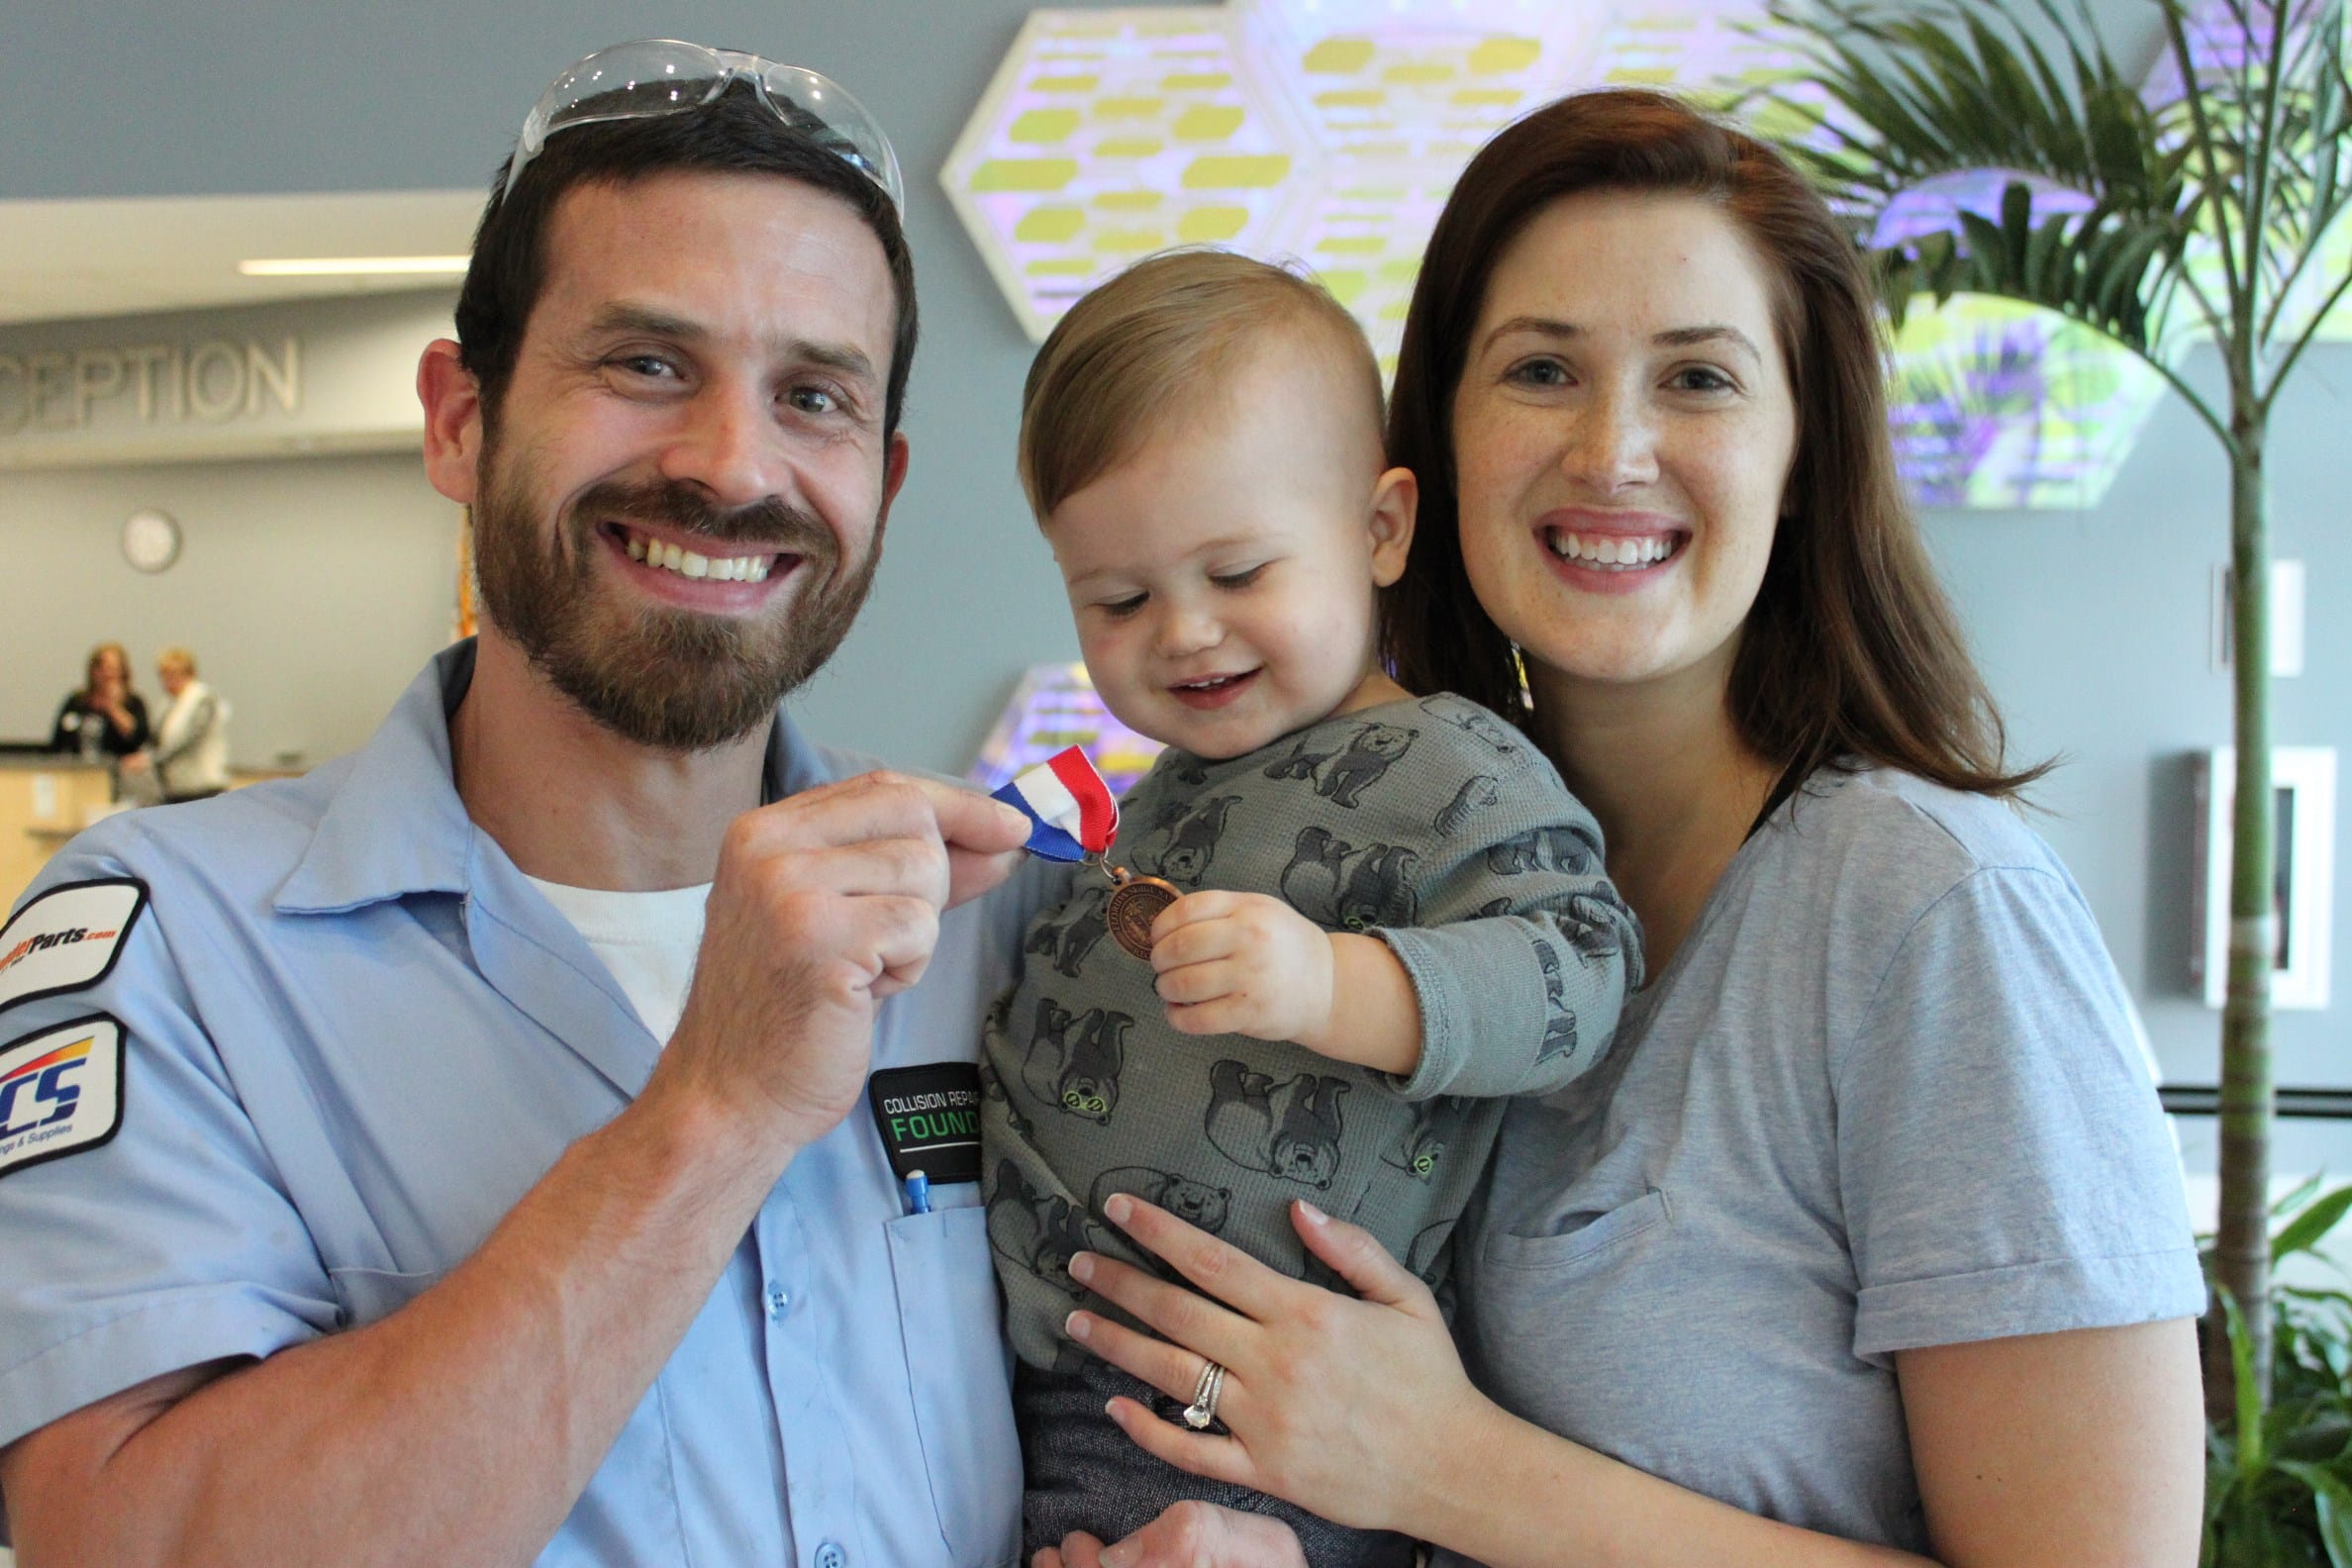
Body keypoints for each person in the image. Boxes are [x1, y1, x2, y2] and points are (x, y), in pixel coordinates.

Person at [1037, 90, 2206, 1568]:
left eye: (1700, 382)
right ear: (1433, 454)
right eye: (1541, 370)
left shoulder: (1930, 910)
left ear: (1803, 461)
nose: (1611, 451)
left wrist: (1443, 1465)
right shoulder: (1384, 874)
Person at [0, 43, 1052, 1567]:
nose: (730, 465)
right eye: (644, 364)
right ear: (459, 422)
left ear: (881, 481)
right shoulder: (162, 951)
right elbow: (134, 1542)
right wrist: (717, 1110)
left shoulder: (1011, 935)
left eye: (811, 396)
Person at [989, 249, 1639, 1565]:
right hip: (1040, 1374)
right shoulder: (1155, 797)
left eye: (1237, 574)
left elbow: (1580, 970)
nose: (1182, 633)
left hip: (1276, 1400)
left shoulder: (1457, 771)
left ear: (1379, 530)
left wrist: (1337, 988)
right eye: (1117, 600)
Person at [121, 645, 232, 802]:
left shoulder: (203, 699)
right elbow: (154, 739)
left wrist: (150, 760)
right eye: (164, 674)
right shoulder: (167, 704)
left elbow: (187, 740)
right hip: (174, 788)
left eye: (174, 674)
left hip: (203, 787)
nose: (168, 680)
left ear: (190, 673)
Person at [48, 641, 149, 760]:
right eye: (102, 668)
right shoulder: (76, 701)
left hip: (117, 771)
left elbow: (138, 737)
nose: (107, 674)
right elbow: (58, 740)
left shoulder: (134, 703)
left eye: (114, 669)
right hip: (78, 769)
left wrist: (113, 707)